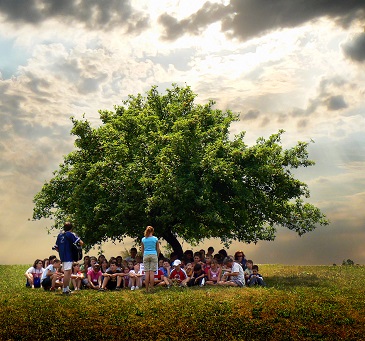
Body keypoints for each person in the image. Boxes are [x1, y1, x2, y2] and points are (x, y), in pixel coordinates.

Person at [54, 221, 84, 295]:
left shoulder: (60, 235)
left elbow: (56, 247)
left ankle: (66, 288)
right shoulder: (70, 234)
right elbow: (81, 242)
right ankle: (65, 290)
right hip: (68, 256)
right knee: (67, 273)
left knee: (69, 271)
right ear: (71, 228)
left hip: (62, 256)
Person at [141, 225, 160, 293]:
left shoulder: (143, 239)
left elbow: (142, 249)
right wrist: (157, 255)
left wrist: (144, 255)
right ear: (152, 231)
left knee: (147, 273)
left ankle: (146, 289)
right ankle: (152, 288)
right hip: (153, 254)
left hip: (146, 255)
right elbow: (158, 249)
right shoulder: (155, 239)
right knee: (152, 273)